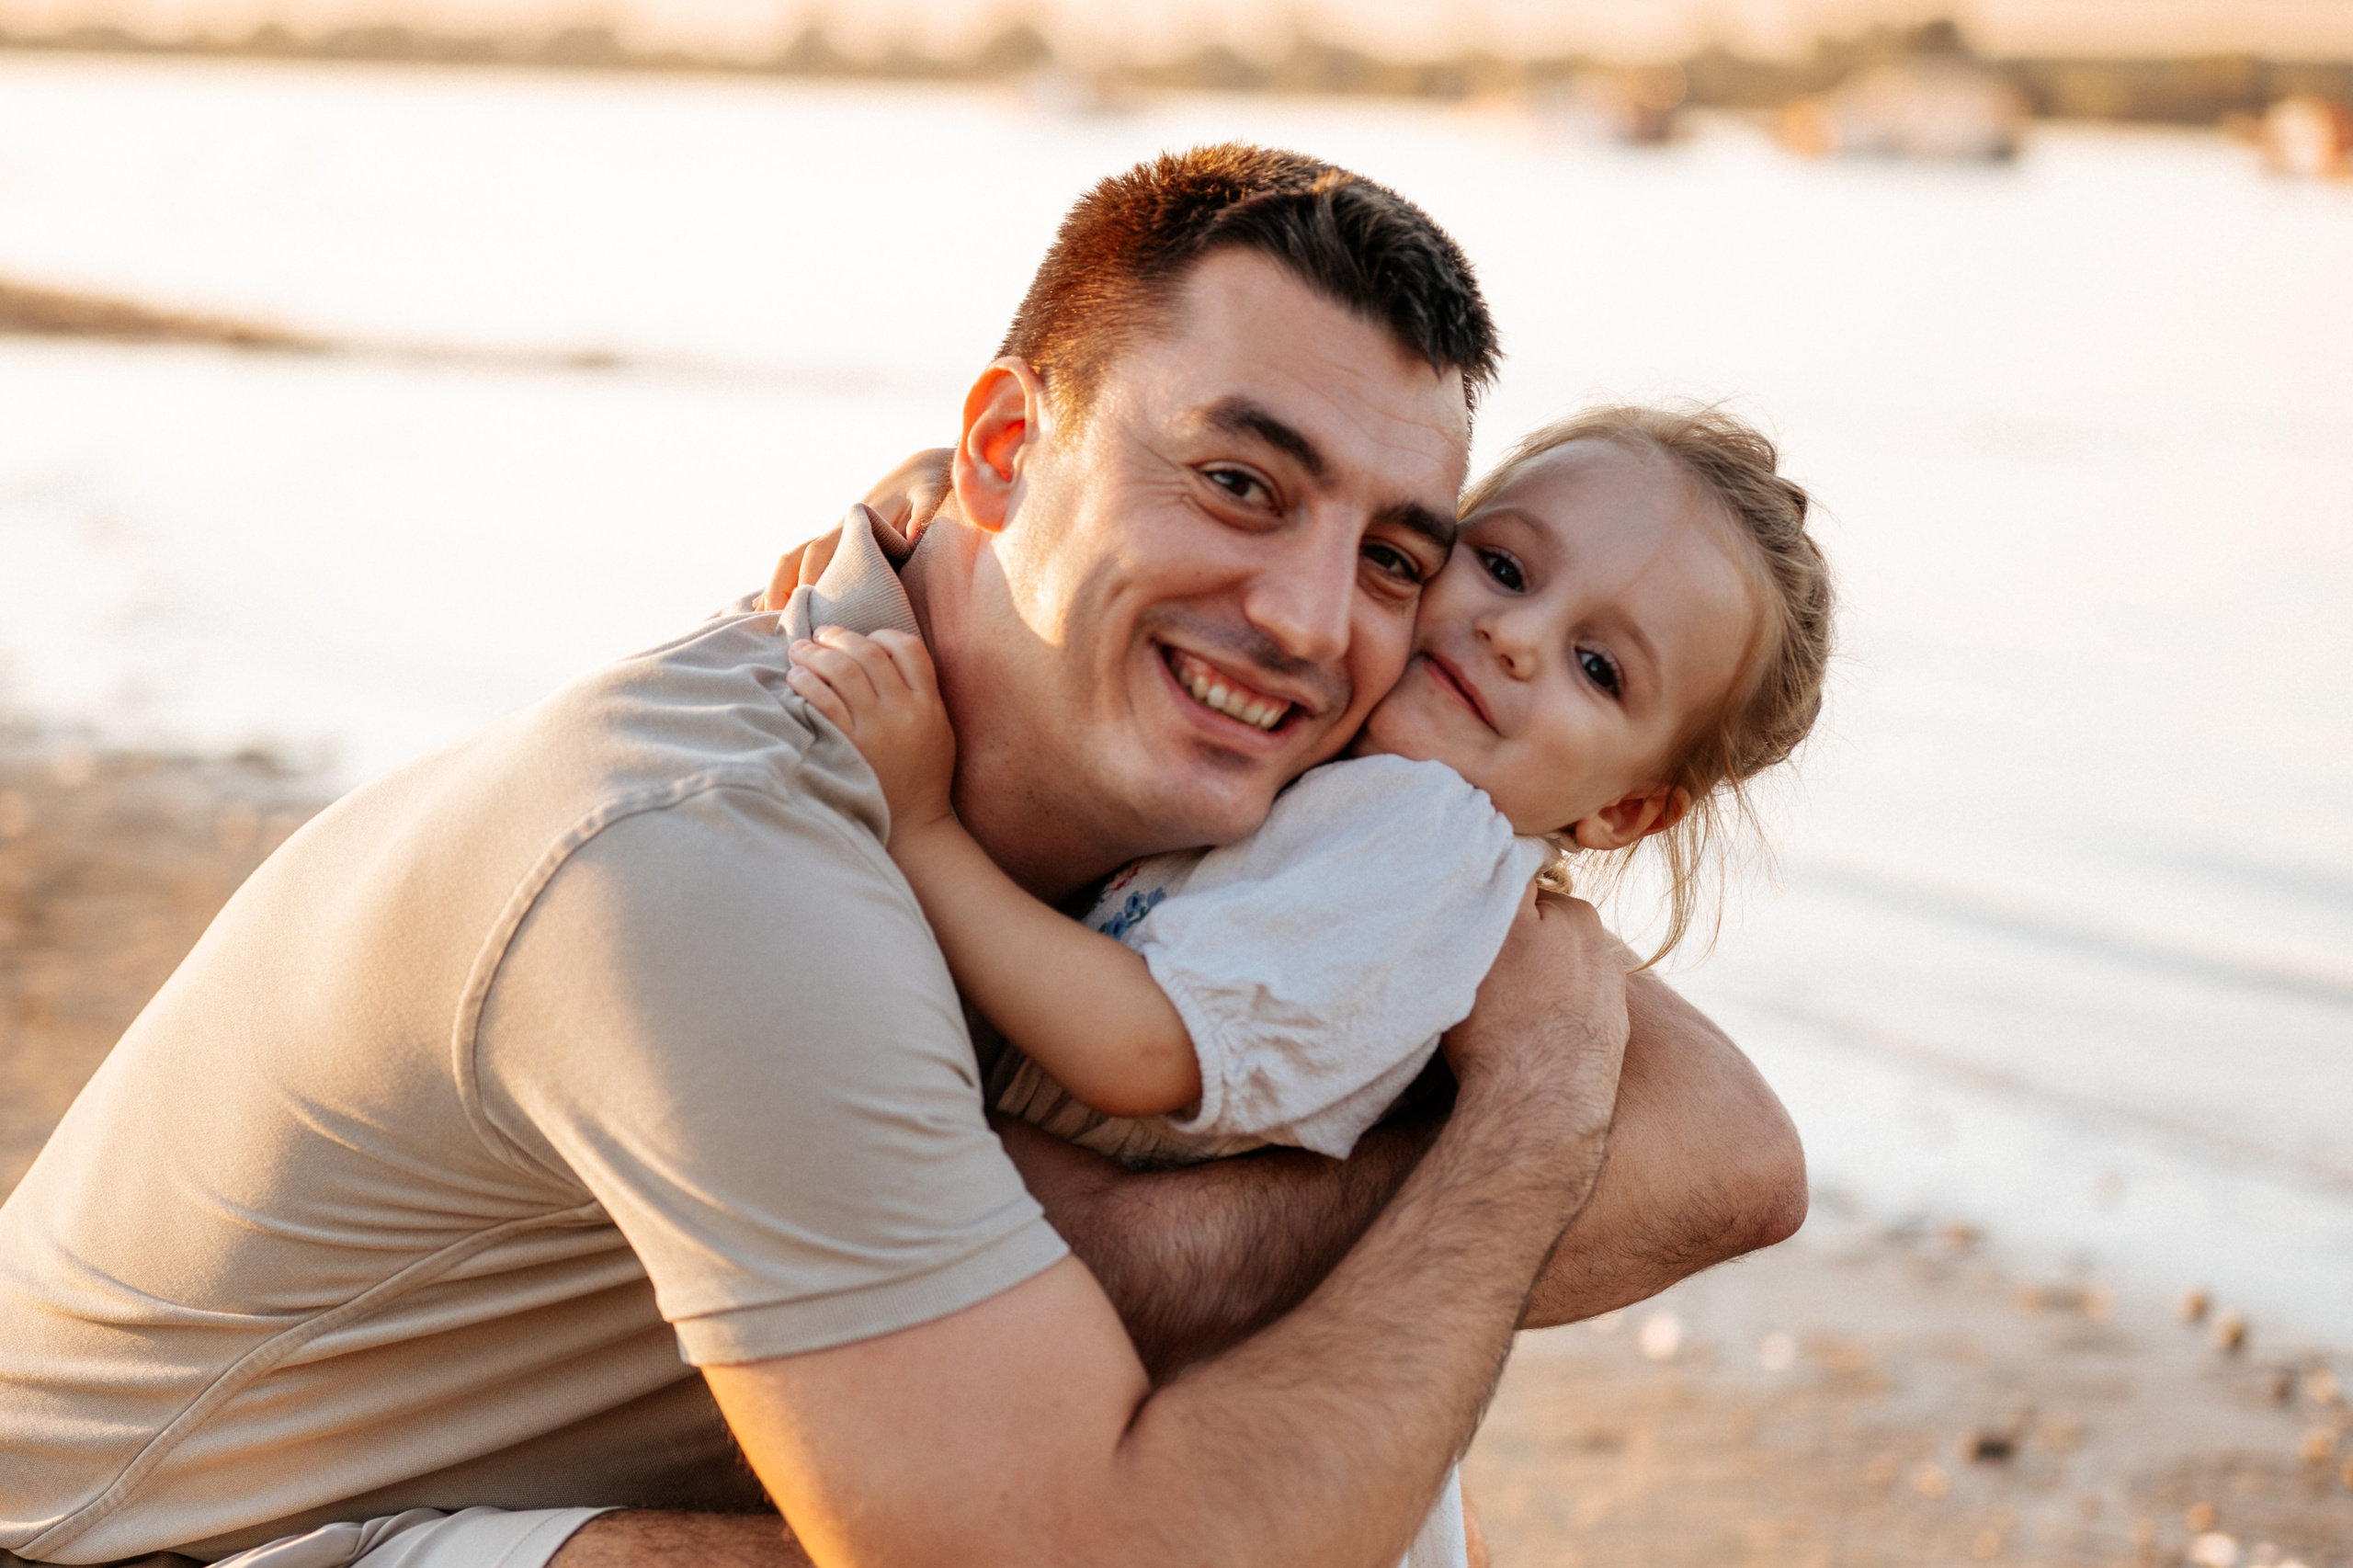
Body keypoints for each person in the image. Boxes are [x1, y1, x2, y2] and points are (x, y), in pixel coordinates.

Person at [0, 145, 1804, 1568]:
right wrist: (1518, 1118)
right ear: (1007, 448)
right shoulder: (714, 860)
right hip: (162, 1544)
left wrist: (1185, 1239)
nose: (1308, 620)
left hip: (472, 1503)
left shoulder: (1274, 767)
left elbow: (1728, 1157)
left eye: (1397, 554)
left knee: (1319, 1419)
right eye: (1239, 483)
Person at [786, 403, 1833, 1565]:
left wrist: (921, 824)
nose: (1515, 635)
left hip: (1221, 1453)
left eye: (1598, 667)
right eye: (1501, 565)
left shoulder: (1418, 841)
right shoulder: (1352, 768)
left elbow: (1147, 1047)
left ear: (1627, 807)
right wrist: (974, 497)